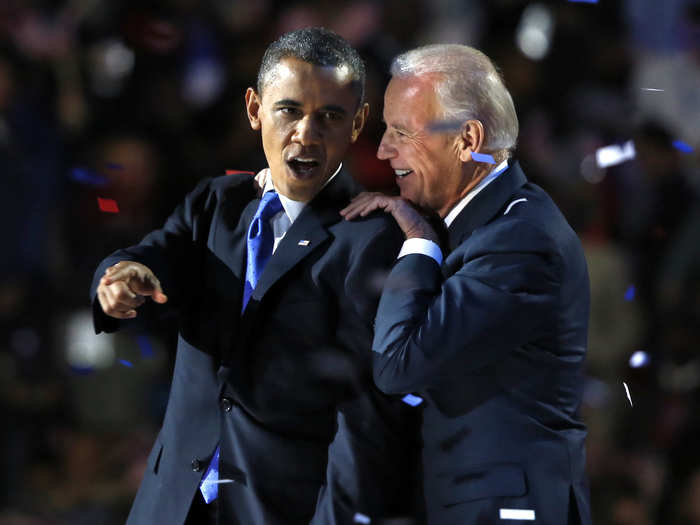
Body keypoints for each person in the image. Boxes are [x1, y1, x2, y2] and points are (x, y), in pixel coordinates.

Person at [91, 28, 421, 525]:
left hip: (281, 510)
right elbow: (158, 254)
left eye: (330, 116)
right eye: (289, 110)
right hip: (172, 504)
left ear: (357, 125)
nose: (306, 134)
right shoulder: (214, 204)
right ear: (254, 109)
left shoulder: (371, 239)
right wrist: (120, 275)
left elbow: (364, 412)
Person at [342, 44, 591, 525]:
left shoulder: (518, 240)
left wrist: (417, 241)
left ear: (467, 138)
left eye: (402, 132)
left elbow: (398, 364)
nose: (382, 150)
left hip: (509, 511)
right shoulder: (492, 224)